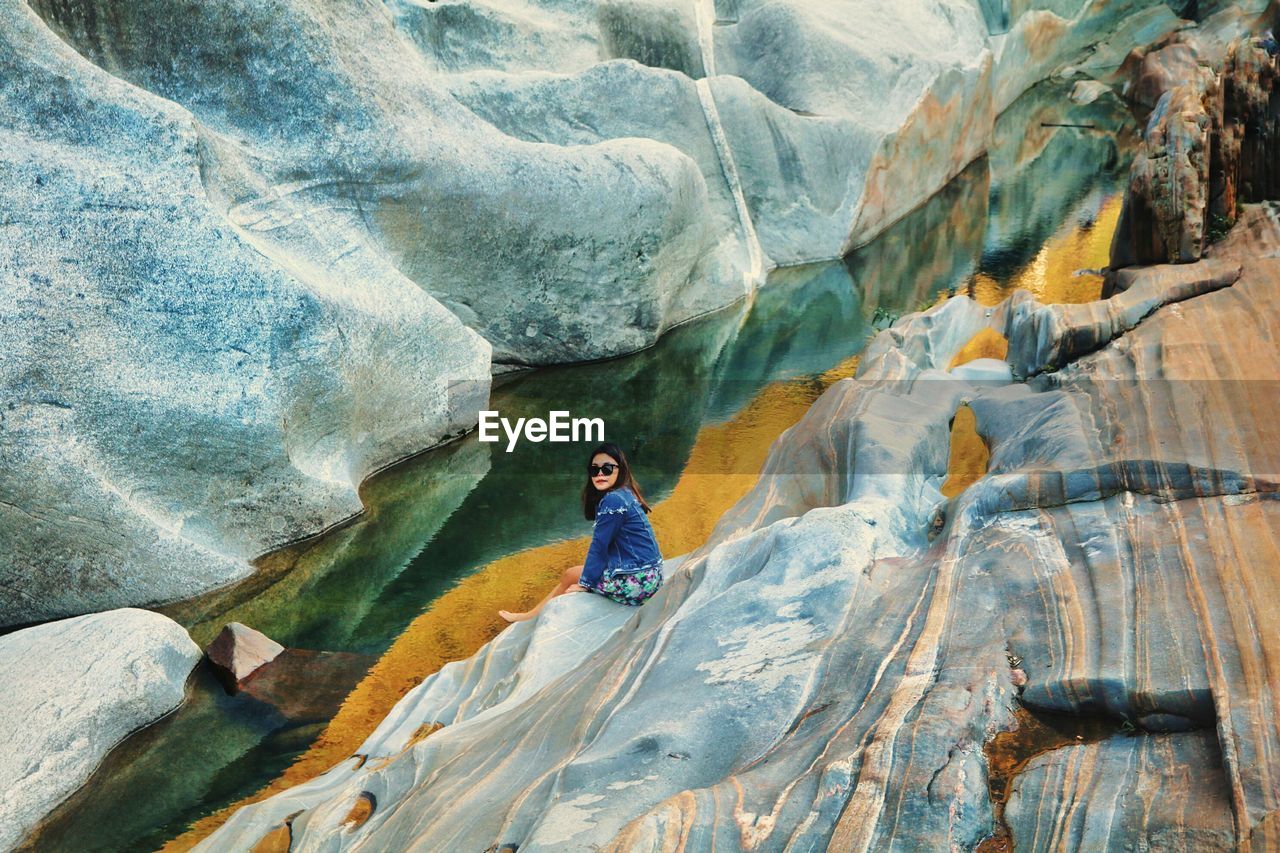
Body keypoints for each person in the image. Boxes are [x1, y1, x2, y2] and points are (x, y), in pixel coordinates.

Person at [498, 442, 664, 623]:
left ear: (620, 469)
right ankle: (531, 615)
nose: (600, 474)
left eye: (607, 468)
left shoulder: (613, 501)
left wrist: (585, 584)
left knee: (570, 575)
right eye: (595, 470)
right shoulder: (625, 492)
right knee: (576, 572)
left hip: (637, 583)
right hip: (652, 577)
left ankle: (529, 617)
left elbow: (599, 546)